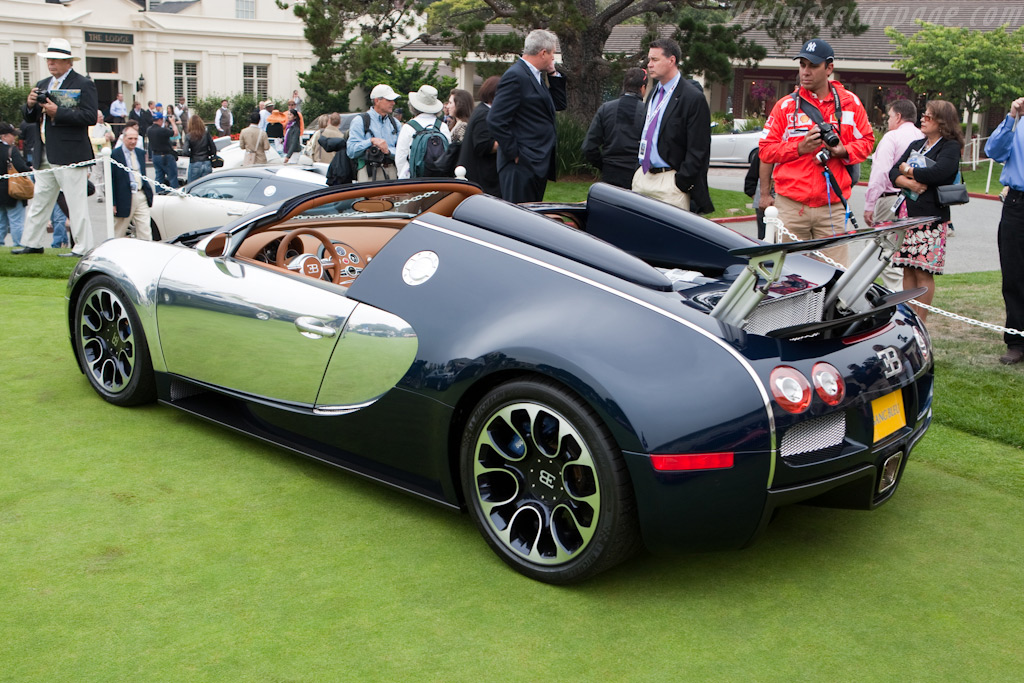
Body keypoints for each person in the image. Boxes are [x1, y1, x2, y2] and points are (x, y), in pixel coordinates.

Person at [758, 38, 874, 266]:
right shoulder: (785, 106)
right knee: (787, 276)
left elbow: (867, 142)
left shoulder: (851, 104)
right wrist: (798, 148)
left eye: (812, 65)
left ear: (829, 68)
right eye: (802, 65)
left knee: (835, 276)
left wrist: (842, 150)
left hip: (832, 207)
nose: (805, 71)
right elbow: (766, 150)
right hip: (791, 206)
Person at [12, 38, 99, 257]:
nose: (51, 64)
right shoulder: (43, 84)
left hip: (71, 152)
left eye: (56, 60)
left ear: (69, 62)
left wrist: (57, 112)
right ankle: (32, 242)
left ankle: (82, 247)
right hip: (44, 151)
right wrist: (30, 104)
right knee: (40, 199)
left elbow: (90, 116)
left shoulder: (83, 83)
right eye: (49, 60)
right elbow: (31, 118)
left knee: (75, 202)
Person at [888, 100, 963, 323]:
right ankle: (908, 318)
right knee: (907, 269)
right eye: (923, 115)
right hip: (907, 216)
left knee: (923, 271)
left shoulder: (949, 146)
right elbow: (893, 172)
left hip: (930, 218)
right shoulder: (917, 144)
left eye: (928, 116)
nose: (923, 119)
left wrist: (909, 170)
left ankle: (920, 321)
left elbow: (940, 173)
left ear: (942, 122)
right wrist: (909, 183)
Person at [632, 39, 713, 214]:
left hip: (670, 182)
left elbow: (699, 148)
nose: (649, 65)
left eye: (655, 59)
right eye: (649, 60)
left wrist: (680, 182)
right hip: (643, 176)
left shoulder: (692, 97)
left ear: (671, 60)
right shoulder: (653, 93)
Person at [489, 29, 567, 203]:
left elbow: (559, 104)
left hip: (536, 162)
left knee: (532, 216)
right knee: (518, 220)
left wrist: (553, 73)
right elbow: (496, 119)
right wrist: (515, 154)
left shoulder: (535, 75)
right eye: (552, 53)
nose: (553, 58)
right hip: (521, 164)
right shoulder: (516, 76)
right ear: (543, 53)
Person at [863, 99, 924, 291]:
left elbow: (881, 173)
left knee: (881, 250)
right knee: (905, 252)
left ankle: (895, 297)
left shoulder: (892, 137)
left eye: (889, 116)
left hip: (891, 200)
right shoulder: (923, 137)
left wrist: (870, 204)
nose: (887, 121)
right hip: (916, 200)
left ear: (898, 117)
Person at [985, 96, 1024, 365]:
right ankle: (1016, 342)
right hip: (1017, 203)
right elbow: (995, 151)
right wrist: (1011, 118)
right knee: (1014, 274)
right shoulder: (1017, 122)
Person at [583, 67, 646, 189]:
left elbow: (588, 147)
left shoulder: (606, 109)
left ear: (624, 85)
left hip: (610, 172)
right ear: (643, 87)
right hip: (636, 174)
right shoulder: (647, 111)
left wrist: (603, 165)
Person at [347, 83, 400, 182]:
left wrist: (388, 151)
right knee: (370, 198)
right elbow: (351, 151)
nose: (393, 103)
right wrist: (371, 141)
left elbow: (403, 152)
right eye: (389, 100)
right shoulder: (360, 121)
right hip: (368, 172)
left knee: (394, 197)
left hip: (392, 170)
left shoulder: (395, 123)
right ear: (377, 101)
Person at [396, 85, 451, 179]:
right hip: (441, 181)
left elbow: (400, 158)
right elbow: (448, 155)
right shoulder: (442, 126)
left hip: (416, 181)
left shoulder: (408, 127)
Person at [459, 76, 501, 196]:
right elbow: (483, 145)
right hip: (481, 179)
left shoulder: (482, 111)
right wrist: (508, 141)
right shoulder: (484, 115)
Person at [110, 126, 153, 240]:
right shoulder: (115, 154)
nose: (133, 141)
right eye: (130, 138)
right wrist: (113, 202)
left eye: (135, 139)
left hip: (141, 194)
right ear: (124, 138)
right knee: (119, 230)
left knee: (145, 230)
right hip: (124, 196)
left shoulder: (140, 153)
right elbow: (112, 179)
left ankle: (146, 252)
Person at [0, 121, 30, 247]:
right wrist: (29, 169)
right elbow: (21, 167)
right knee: (16, 220)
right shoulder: (11, 151)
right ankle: (18, 244)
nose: (14, 137)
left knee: (1, 221)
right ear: (4, 136)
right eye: (12, 135)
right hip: (12, 190)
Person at [147, 111, 179, 191]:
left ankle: (159, 194)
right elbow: (175, 133)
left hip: (155, 156)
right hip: (165, 156)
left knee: (159, 177)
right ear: (160, 120)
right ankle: (174, 194)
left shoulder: (149, 130)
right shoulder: (162, 130)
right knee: (172, 177)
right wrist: (172, 122)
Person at [88, 110, 115, 202]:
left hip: (107, 154)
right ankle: (99, 194)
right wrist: (104, 139)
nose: (102, 118)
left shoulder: (107, 126)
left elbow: (113, 137)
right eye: (99, 117)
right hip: (97, 153)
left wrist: (110, 137)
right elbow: (92, 140)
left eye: (102, 116)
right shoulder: (91, 127)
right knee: (98, 175)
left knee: (108, 174)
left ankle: (108, 192)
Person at [182, 114, 216, 182]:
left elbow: (185, 152)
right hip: (206, 161)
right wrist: (207, 153)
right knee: (207, 185)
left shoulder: (189, 136)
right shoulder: (206, 134)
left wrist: (192, 154)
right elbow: (213, 149)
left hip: (195, 162)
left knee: (193, 186)